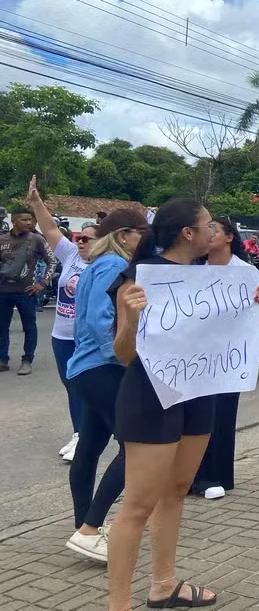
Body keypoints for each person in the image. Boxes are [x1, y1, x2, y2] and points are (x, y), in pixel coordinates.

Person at [106, 198, 259, 610]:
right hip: (150, 397)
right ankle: (118, 604)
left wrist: (251, 302)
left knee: (176, 490)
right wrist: (133, 317)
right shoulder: (139, 278)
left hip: (198, 392)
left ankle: (163, 585)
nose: (216, 231)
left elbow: (219, 332)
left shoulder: (207, 278)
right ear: (187, 234)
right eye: (209, 225)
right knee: (138, 505)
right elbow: (124, 354)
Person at [64, 208, 148, 562]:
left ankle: (84, 526)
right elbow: (103, 322)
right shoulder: (115, 266)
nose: (146, 239)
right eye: (142, 232)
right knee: (138, 446)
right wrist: (126, 359)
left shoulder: (94, 267)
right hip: (105, 367)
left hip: (85, 369)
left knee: (90, 448)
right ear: (125, 235)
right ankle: (91, 529)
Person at [190, 217, 259, 500]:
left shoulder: (246, 273)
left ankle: (217, 476)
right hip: (196, 356)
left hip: (229, 358)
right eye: (206, 229)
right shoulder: (194, 269)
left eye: (214, 229)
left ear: (228, 238)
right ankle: (192, 476)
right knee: (195, 417)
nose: (208, 234)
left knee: (222, 415)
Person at [26, 176, 92, 461]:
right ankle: (79, 433)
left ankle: (87, 436)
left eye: (87, 239)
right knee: (69, 385)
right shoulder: (72, 255)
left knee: (84, 385)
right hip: (61, 336)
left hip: (87, 338)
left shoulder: (110, 264)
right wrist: (36, 202)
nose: (80, 242)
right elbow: (50, 228)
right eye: (79, 238)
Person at [0, 205, 57, 375]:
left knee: (29, 327)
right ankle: (2, 359)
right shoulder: (2, 240)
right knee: (2, 328)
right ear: (13, 220)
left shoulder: (36, 240)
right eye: (23, 219)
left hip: (27, 293)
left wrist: (42, 284)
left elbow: (52, 261)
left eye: (30, 219)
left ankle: (27, 360)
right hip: (3, 292)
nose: (28, 222)